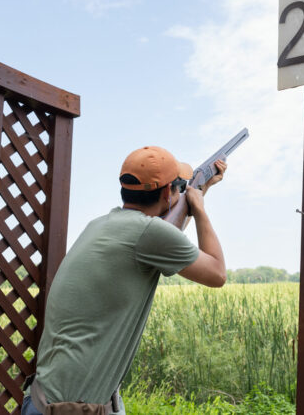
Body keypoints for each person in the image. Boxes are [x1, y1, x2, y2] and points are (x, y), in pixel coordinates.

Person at [22, 146, 227, 415]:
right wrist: (199, 207)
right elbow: (217, 273)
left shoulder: (100, 224)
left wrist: (203, 189)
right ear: (168, 192)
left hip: (44, 398)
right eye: (179, 186)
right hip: (73, 409)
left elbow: (166, 240)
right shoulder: (147, 232)